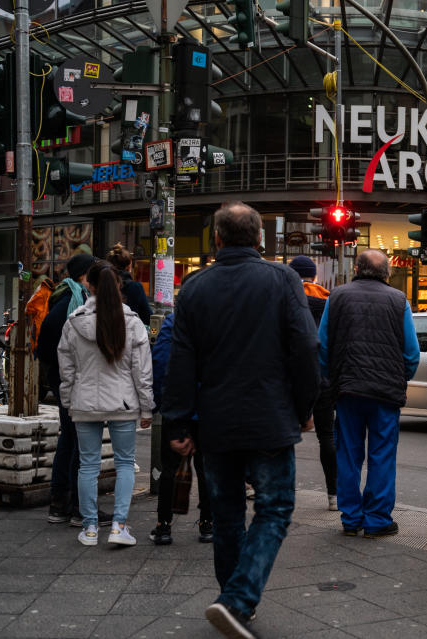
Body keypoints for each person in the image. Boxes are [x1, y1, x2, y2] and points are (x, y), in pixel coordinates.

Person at [162, 202, 319, 639]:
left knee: (227, 512)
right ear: (259, 239)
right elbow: (306, 348)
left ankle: (233, 601)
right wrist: (304, 407)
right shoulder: (283, 279)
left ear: (216, 239)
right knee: (274, 508)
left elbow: (181, 364)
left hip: (216, 422)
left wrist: (178, 424)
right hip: (270, 416)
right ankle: (237, 600)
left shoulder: (193, 289)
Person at [318, 249, 420, 538]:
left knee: (348, 455)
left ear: (356, 269)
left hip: (347, 390)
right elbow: (411, 353)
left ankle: (351, 519)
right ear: (386, 273)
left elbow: (323, 344)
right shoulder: (398, 300)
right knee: (382, 456)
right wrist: (401, 380)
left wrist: (331, 379)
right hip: (385, 393)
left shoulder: (336, 297)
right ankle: (377, 520)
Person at [57, 261, 153, 547]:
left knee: (88, 465)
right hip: (122, 402)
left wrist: (68, 401)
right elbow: (141, 370)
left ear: (89, 284)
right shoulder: (132, 323)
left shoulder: (74, 322)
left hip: (85, 402)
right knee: (125, 463)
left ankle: (88, 528)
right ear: (120, 286)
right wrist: (146, 406)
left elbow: (67, 370)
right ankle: (119, 525)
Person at [37, 253, 111, 527]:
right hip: (75, 382)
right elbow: (50, 347)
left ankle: (60, 503)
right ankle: (80, 508)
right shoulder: (73, 303)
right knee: (82, 443)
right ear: (86, 276)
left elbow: (45, 348)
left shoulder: (64, 297)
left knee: (69, 440)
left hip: (65, 379)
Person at [148, 305, 212, 545]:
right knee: (207, 468)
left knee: (170, 468)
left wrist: (158, 400)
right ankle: (208, 522)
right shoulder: (217, 320)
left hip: (178, 407)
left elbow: (162, 361)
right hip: (208, 407)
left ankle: (163, 525)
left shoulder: (174, 322)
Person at [288, 255, 337, 511]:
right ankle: (333, 495)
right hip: (324, 377)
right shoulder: (329, 301)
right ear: (314, 276)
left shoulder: (288, 301)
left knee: (287, 437)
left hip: (292, 379)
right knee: (327, 436)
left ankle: (283, 492)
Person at [105, 243, 152, 325]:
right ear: (129, 265)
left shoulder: (102, 284)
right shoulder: (135, 287)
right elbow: (148, 318)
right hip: (129, 332)